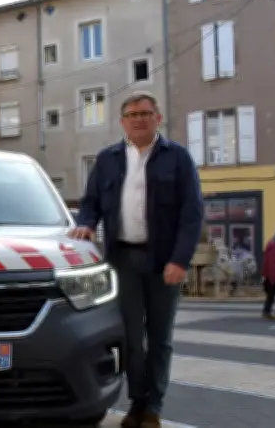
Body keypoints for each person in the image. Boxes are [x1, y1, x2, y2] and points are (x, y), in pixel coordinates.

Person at [70, 91, 204, 428]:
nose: (139, 119)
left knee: (159, 339)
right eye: (132, 114)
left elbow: (192, 216)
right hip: (122, 260)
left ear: (157, 118)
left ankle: (154, 408)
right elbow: (91, 202)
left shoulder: (179, 159)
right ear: (122, 122)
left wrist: (180, 260)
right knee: (130, 338)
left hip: (163, 263)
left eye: (145, 113)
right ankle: (137, 402)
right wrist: (86, 224)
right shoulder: (108, 159)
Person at [261, 225, 275, 319]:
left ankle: (266, 312)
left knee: (271, 293)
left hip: (270, 273)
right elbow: (274, 261)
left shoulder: (272, 242)